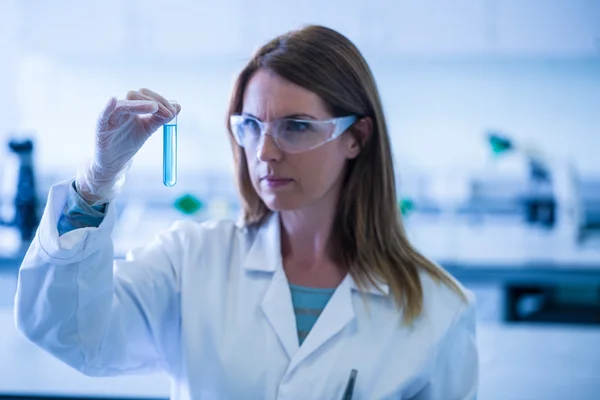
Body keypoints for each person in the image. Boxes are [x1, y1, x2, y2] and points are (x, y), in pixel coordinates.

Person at [14, 25, 478, 399]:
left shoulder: (438, 308)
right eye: (251, 126)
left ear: (356, 137)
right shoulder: (192, 261)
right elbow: (69, 332)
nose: (265, 152)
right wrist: (95, 185)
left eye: (296, 127)